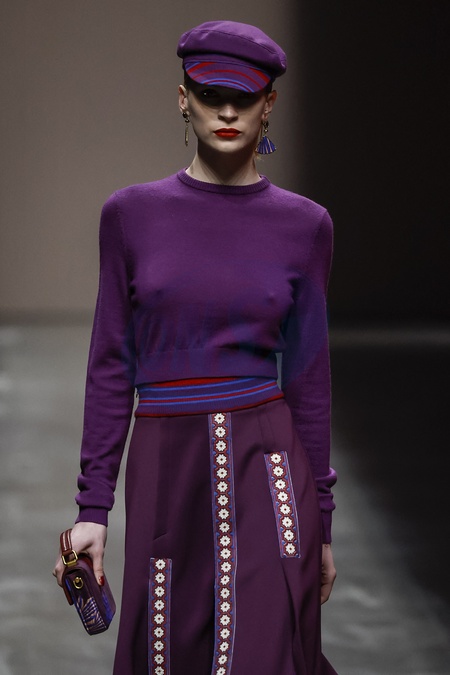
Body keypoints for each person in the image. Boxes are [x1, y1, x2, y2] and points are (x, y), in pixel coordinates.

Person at [54, 20, 338, 675]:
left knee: (265, 654)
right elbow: (110, 366)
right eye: (212, 95)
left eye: (245, 96)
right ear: (183, 98)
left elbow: (309, 381)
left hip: (269, 471)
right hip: (165, 466)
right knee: (168, 653)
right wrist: (92, 508)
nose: (228, 111)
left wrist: (322, 523)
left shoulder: (306, 226)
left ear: (270, 103)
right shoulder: (130, 216)